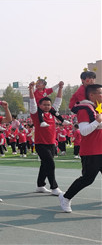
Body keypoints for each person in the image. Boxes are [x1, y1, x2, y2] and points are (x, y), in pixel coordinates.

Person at [59, 84, 102, 213]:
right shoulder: (85, 110)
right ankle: (66, 197)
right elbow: (83, 131)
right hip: (91, 151)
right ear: (92, 95)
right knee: (88, 178)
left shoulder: (98, 109)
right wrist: (97, 122)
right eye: (100, 93)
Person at [28, 81, 63, 196]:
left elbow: (58, 100)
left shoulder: (52, 113)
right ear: (40, 105)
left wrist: (60, 88)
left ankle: (40, 185)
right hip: (40, 144)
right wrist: (31, 90)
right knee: (50, 164)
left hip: (51, 143)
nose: (47, 107)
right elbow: (32, 102)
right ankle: (54, 187)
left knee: (45, 164)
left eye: (48, 105)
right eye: (44, 105)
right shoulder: (35, 113)